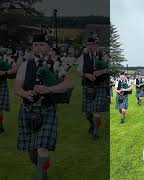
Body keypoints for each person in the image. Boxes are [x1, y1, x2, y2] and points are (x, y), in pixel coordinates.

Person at [15, 33, 73, 179]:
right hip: (28, 110)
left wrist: (50, 89)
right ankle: (42, 168)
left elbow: (69, 84)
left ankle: (41, 176)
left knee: (42, 148)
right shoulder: (25, 65)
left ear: (48, 47)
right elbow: (17, 88)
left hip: (47, 109)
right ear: (32, 47)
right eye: (35, 45)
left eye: (41, 45)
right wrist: (25, 94)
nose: (38, 48)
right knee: (32, 153)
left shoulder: (56, 64)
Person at [77, 37, 111, 139]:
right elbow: (78, 71)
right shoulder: (84, 57)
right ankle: (92, 124)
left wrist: (102, 71)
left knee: (96, 110)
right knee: (88, 112)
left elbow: (111, 70)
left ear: (97, 45)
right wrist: (87, 75)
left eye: (92, 44)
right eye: (88, 45)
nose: (90, 47)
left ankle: (95, 132)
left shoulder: (104, 56)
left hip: (100, 85)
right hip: (88, 85)